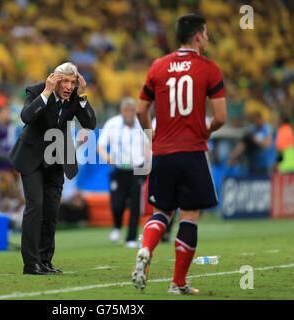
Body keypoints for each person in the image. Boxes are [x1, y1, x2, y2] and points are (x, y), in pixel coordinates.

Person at [132, 13, 227, 295]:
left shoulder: (158, 66)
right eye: (207, 34)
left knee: (161, 212)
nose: (207, 38)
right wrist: (208, 128)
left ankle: (145, 249)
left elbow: (140, 110)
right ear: (198, 36)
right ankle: (178, 283)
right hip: (192, 152)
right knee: (189, 215)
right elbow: (221, 117)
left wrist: (152, 137)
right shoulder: (209, 68)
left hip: (162, 152)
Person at [8, 62, 96, 275]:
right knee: (35, 206)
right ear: (54, 79)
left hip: (56, 157)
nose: (68, 86)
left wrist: (83, 94)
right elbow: (26, 117)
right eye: (64, 81)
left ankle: (45, 260)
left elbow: (90, 123)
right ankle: (31, 263)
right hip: (32, 157)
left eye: (72, 83)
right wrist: (47, 92)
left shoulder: (75, 96)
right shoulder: (37, 90)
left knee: (51, 210)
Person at [97, 97, 149, 248]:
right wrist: (107, 157)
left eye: (132, 110)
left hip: (137, 168)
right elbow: (100, 145)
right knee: (117, 203)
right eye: (126, 110)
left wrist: (148, 162)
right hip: (119, 169)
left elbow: (147, 145)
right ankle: (117, 226)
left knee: (135, 204)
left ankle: (131, 238)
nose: (129, 113)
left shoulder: (141, 124)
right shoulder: (112, 124)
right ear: (121, 111)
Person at [228, 111, 273, 175]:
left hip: (264, 163)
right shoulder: (253, 128)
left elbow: (267, 145)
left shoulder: (267, 128)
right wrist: (233, 156)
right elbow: (244, 144)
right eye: (254, 121)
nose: (255, 122)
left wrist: (255, 139)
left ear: (261, 119)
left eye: (257, 120)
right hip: (253, 163)